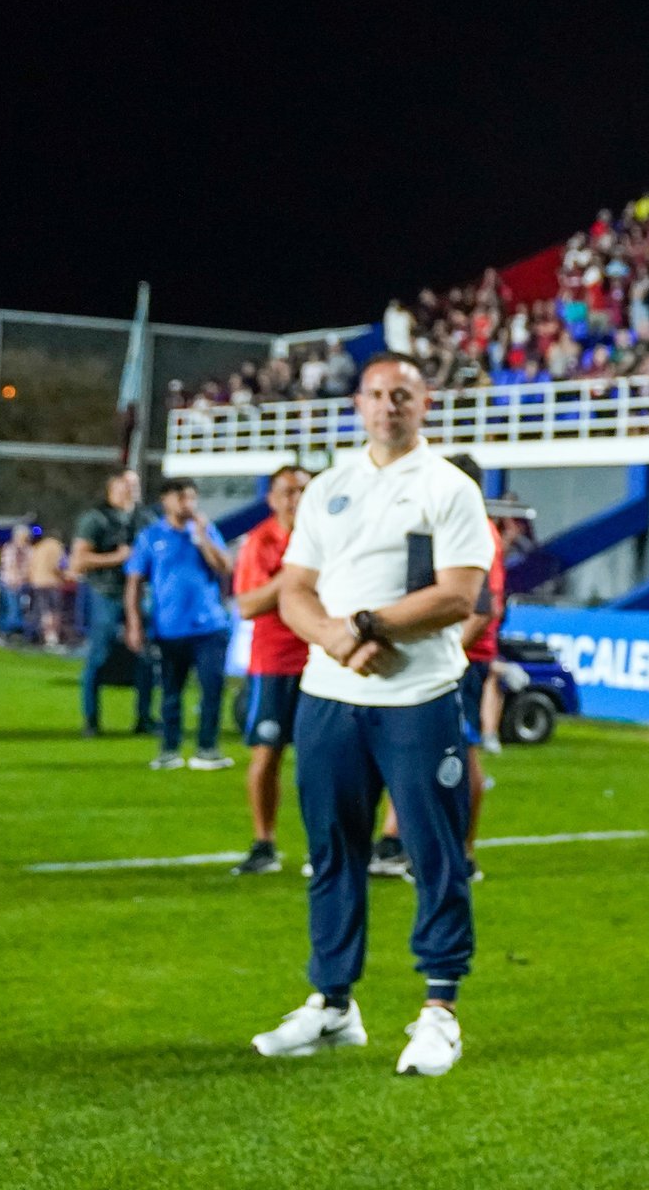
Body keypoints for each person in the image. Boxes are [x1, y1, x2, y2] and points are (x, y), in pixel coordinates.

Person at [251, 353, 493, 1078]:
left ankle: (439, 1011)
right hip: (330, 698)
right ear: (358, 403)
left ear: (425, 404)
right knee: (332, 853)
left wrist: (366, 624)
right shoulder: (330, 486)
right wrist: (331, 637)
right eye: (378, 394)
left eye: (404, 395)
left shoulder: (449, 487)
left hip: (416, 699)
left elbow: (458, 596)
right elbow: (293, 588)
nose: (389, 406)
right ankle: (332, 1004)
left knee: (432, 852)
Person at [369, 452, 502, 882]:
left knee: (460, 752)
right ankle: (396, 839)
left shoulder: (477, 532)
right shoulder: (453, 526)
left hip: (461, 656)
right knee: (420, 747)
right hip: (448, 653)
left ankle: (461, 853)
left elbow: (482, 607)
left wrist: (452, 654)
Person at [229, 465, 312, 876]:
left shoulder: (327, 536)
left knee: (324, 760)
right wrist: (295, 577)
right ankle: (264, 843)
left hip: (325, 659)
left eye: (303, 491)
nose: (296, 499)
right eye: (288, 491)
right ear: (273, 498)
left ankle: (325, 845)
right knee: (267, 755)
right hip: (276, 661)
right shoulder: (260, 542)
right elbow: (248, 604)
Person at [123, 478, 234, 771]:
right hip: (169, 627)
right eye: (182, 498)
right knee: (171, 693)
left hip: (210, 626)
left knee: (212, 688)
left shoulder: (205, 530)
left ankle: (207, 748)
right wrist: (134, 623)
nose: (189, 504)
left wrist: (202, 538)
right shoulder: (151, 536)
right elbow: (134, 581)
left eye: (192, 498)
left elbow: (225, 567)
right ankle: (169, 749)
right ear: (166, 501)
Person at [72, 471, 156, 737]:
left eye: (135, 485)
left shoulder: (146, 518)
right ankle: (91, 720)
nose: (131, 490)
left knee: (147, 657)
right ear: (112, 489)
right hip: (106, 593)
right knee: (99, 656)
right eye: (125, 486)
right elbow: (79, 561)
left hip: (140, 594)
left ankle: (144, 718)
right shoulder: (94, 519)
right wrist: (116, 558)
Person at [27, 529, 68, 647]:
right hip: (52, 582)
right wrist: (64, 575)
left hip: (37, 581)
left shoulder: (39, 547)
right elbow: (61, 564)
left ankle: (43, 634)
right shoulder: (57, 547)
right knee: (54, 610)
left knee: (43, 609)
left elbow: (31, 564)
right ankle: (52, 636)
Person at [0, 524, 34, 638]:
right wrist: (15, 579)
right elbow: (9, 566)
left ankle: (16, 631)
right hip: (9, 583)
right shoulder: (9, 548)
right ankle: (7, 631)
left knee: (21, 609)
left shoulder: (29, 550)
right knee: (10, 607)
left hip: (24, 584)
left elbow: (31, 566)